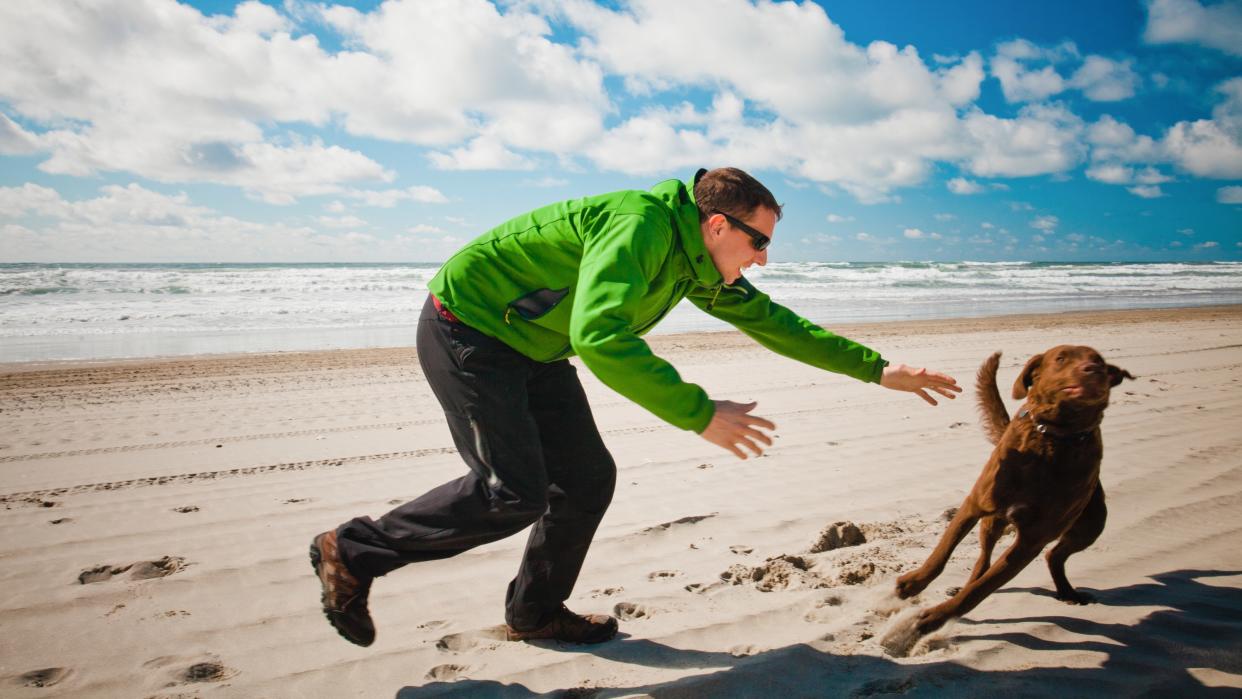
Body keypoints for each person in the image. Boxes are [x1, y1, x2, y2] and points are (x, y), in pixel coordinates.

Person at [309, 167, 961, 647]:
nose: (764, 257)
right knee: (513, 490)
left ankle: (534, 611)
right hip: (469, 327)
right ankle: (353, 549)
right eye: (759, 241)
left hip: (532, 346)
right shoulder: (641, 225)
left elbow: (778, 324)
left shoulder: (695, 263)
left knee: (588, 477)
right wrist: (698, 411)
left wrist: (880, 370)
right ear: (717, 224)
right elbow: (599, 335)